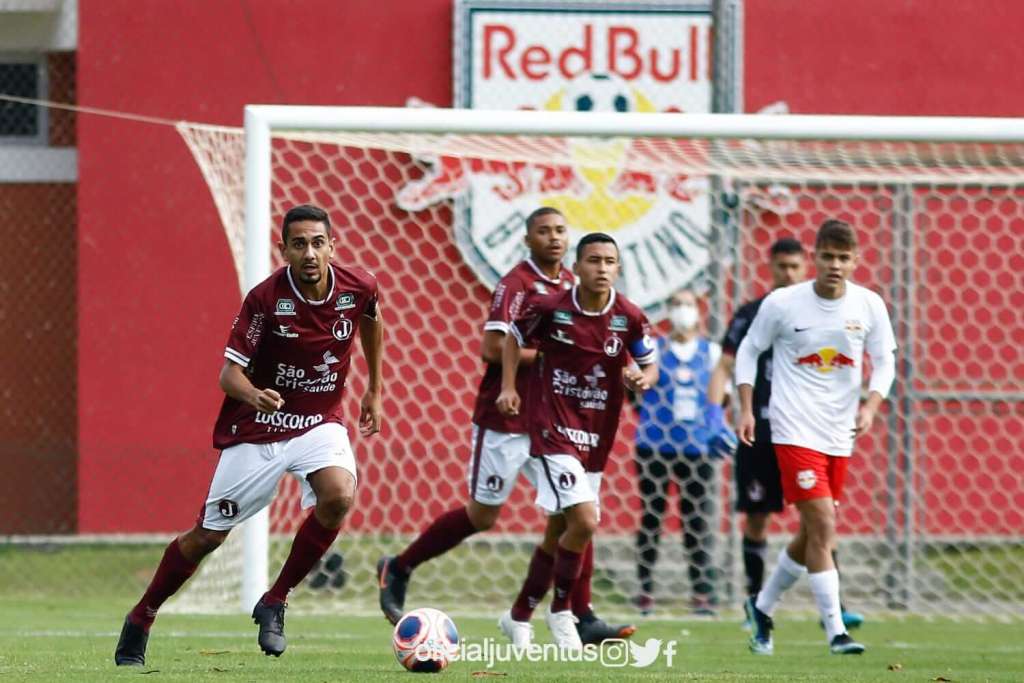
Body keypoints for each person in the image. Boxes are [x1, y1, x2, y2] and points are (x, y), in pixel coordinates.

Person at [114, 204, 384, 665]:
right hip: (258, 429)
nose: (310, 253)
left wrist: (374, 390)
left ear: (332, 247)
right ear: (284, 251)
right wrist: (255, 395)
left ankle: (275, 599)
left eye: (318, 243)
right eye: (299, 244)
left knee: (338, 495)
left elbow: (372, 320)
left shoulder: (358, 287)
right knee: (207, 536)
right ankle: (142, 615)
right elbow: (228, 376)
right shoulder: (265, 299)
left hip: (318, 422)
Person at [376, 208, 633, 645]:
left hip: (555, 422)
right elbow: (493, 347)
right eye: (543, 232)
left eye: (559, 231)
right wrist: (560, 356)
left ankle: (580, 614)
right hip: (507, 419)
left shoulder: (575, 287)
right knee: (483, 515)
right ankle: (399, 565)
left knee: (575, 510)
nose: (553, 238)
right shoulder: (515, 286)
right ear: (528, 240)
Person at [736, 220, 896, 656]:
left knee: (812, 532)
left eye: (844, 258)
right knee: (824, 523)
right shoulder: (784, 303)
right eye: (828, 256)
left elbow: (885, 363)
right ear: (815, 257)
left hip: (839, 431)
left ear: (855, 260)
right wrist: (747, 407)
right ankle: (836, 631)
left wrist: (870, 406)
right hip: (791, 428)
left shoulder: (868, 305)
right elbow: (748, 350)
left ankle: (762, 607)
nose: (835, 266)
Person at [496, 232, 659, 650]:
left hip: (596, 436)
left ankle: (517, 616)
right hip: (552, 428)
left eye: (609, 261)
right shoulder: (551, 308)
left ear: (618, 268)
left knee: (560, 531)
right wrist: (510, 386)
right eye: (593, 260)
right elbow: (513, 338)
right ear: (577, 266)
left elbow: (650, 363)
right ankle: (562, 612)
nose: (601, 268)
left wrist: (643, 377)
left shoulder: (629, 317)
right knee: (585, 521)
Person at [709, 237, 865, 630]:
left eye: (795, 267)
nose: (789, 274)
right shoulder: (751, 313)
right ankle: (754, 600)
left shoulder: (826, 313)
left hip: (806, 431)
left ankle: (834, 603)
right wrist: (715, 415)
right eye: (782, 267)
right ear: (771, 267)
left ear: (805, 267)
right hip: (760, 433)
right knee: (758, 518)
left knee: (820, 514)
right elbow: (728, 364)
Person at [632, 288, 735, 617]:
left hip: (697, 448)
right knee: (652, 518)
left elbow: (724, 395)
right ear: (667, 310)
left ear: (699, 310)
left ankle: (702, 594)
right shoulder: (653, 350)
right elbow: (634, 392)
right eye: (676, 304)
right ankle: (645, 591)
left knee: (696, 522)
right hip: (654, 447)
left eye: (688, 304)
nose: (682, 310)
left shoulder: (712, 352)